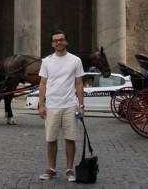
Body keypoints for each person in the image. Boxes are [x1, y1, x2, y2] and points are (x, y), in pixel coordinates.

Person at [37, 30, 84, 183]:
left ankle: (70, 169)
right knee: (51, 139)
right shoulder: (46, 61)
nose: (59, 42)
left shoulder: (75, 60)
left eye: (62, 40)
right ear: (52, 44)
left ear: (66, 42)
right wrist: (41, 104)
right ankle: (51, 168)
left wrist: (81, 105)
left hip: (70, 104)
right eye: (56, 40)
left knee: (70, 139)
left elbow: (79, 83)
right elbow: (43, 83)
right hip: (52, 105)